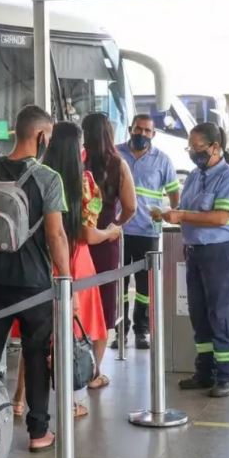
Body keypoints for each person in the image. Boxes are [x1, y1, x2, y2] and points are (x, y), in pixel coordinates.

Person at [0, 105, 71, 452]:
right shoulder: (48, 178)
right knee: (35, 355)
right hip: (33, 284)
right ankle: (38, 432)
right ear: (42, 136)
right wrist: (66, 277)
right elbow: (56, 235)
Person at [161, 122, 229, 398]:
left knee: (221, 313)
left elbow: (221, 217)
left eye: (198, 147)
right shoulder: (196, 175)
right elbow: (187, 209)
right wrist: (170, 213)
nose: (193, 153)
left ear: (215, 147)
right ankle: (205, 372)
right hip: (195, 251)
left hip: (221, 253)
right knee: (199, 314)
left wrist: (182, 216)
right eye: (190, 147)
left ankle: (227, 376)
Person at [44, 121, 122, 391]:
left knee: (40, 336)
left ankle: (20, 398)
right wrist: (110, 232)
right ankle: (77, 390)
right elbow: (87, 235)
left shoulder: (39, 176)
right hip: (77, 260)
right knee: (80, 328)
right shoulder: (85, 182)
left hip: (44, 260)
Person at [113, 114, 180, 350]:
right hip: (117, 230)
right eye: (138, 129)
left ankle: (141, 331)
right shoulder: (115, 153)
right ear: (131, 129)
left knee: (145, 287)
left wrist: (168, 213)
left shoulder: (163, 160)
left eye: (147, 131)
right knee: (118, 285)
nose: (141, 134)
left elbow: (175, 195)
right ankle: (119, 332)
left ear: (153, 134)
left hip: (147, 232)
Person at [82, 113, 137, 336]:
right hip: (106, 239)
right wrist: (114, 226)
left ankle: (74, 355)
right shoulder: (118, 164)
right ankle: (95, 365)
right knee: (103, 304)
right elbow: (131, 206)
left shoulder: (77, 161)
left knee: (79, 297)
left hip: (78, 240)